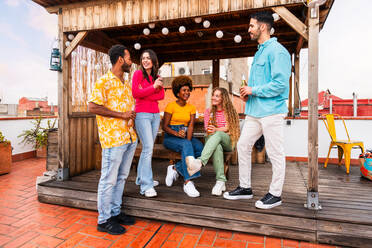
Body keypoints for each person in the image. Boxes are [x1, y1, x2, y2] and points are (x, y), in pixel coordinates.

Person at [223, 11, 291, 209]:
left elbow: (280, 85)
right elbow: (258, 85)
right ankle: (245, 188)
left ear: (262, 27)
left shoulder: (278, 51)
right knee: (243, 146)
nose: (248, 29)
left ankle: (275, 194)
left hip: (272, 111)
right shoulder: (260, 51)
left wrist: (254, 90)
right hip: (255, 111)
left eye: (251, 25)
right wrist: (248, 93)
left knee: (276, 153)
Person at [88, 44, 137, 235]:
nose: (131, 62)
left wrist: (130, 116)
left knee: (122, 177)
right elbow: (92, 107)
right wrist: (121, 115)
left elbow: (127, 110)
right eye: (129, 58)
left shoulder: (125, 83)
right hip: (113, 140)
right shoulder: (103, 82)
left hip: (129, 137)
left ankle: (115, 213)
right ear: (120, 60)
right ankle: (104, 219)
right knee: (108, 179)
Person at [187, 88, 240, 196]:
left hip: (228, 142)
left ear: (223, 98)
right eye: (213, 95)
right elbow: (208, 129)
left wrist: (217, 130)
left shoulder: (230, 111)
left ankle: (200, 162)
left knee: (219, 135)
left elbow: (229, 128)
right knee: (217, 147)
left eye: (217, 96)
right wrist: (216, 130)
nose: (213, 98)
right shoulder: (208, 112)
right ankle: (220, 181)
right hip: (213, 141)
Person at [162, 76, 204, 197]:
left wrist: (188, 140)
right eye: (184, 90)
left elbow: (190, 126)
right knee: (187, 145)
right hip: (170, 137)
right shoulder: (170, 106)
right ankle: (188, 181)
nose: (187, 93)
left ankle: (175, 168)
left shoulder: (191, 108)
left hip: (185, 135)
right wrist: (176, 134)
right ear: (177, 92)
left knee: (200, 148)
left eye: (188, 90)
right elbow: (165, 127)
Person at [132, 49, 164, 198]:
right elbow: (135, 93)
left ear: (153, 61)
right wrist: (153, 88)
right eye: (143, 58)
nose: (145, 60)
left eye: (148, 58)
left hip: (155, 115)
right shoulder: (138, 74)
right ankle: (146, 185)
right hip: (142, 115)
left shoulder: (157, 76)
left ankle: (141, 178)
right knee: (148, 148)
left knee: (147, 149)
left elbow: (162, 95)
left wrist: (146, 92)